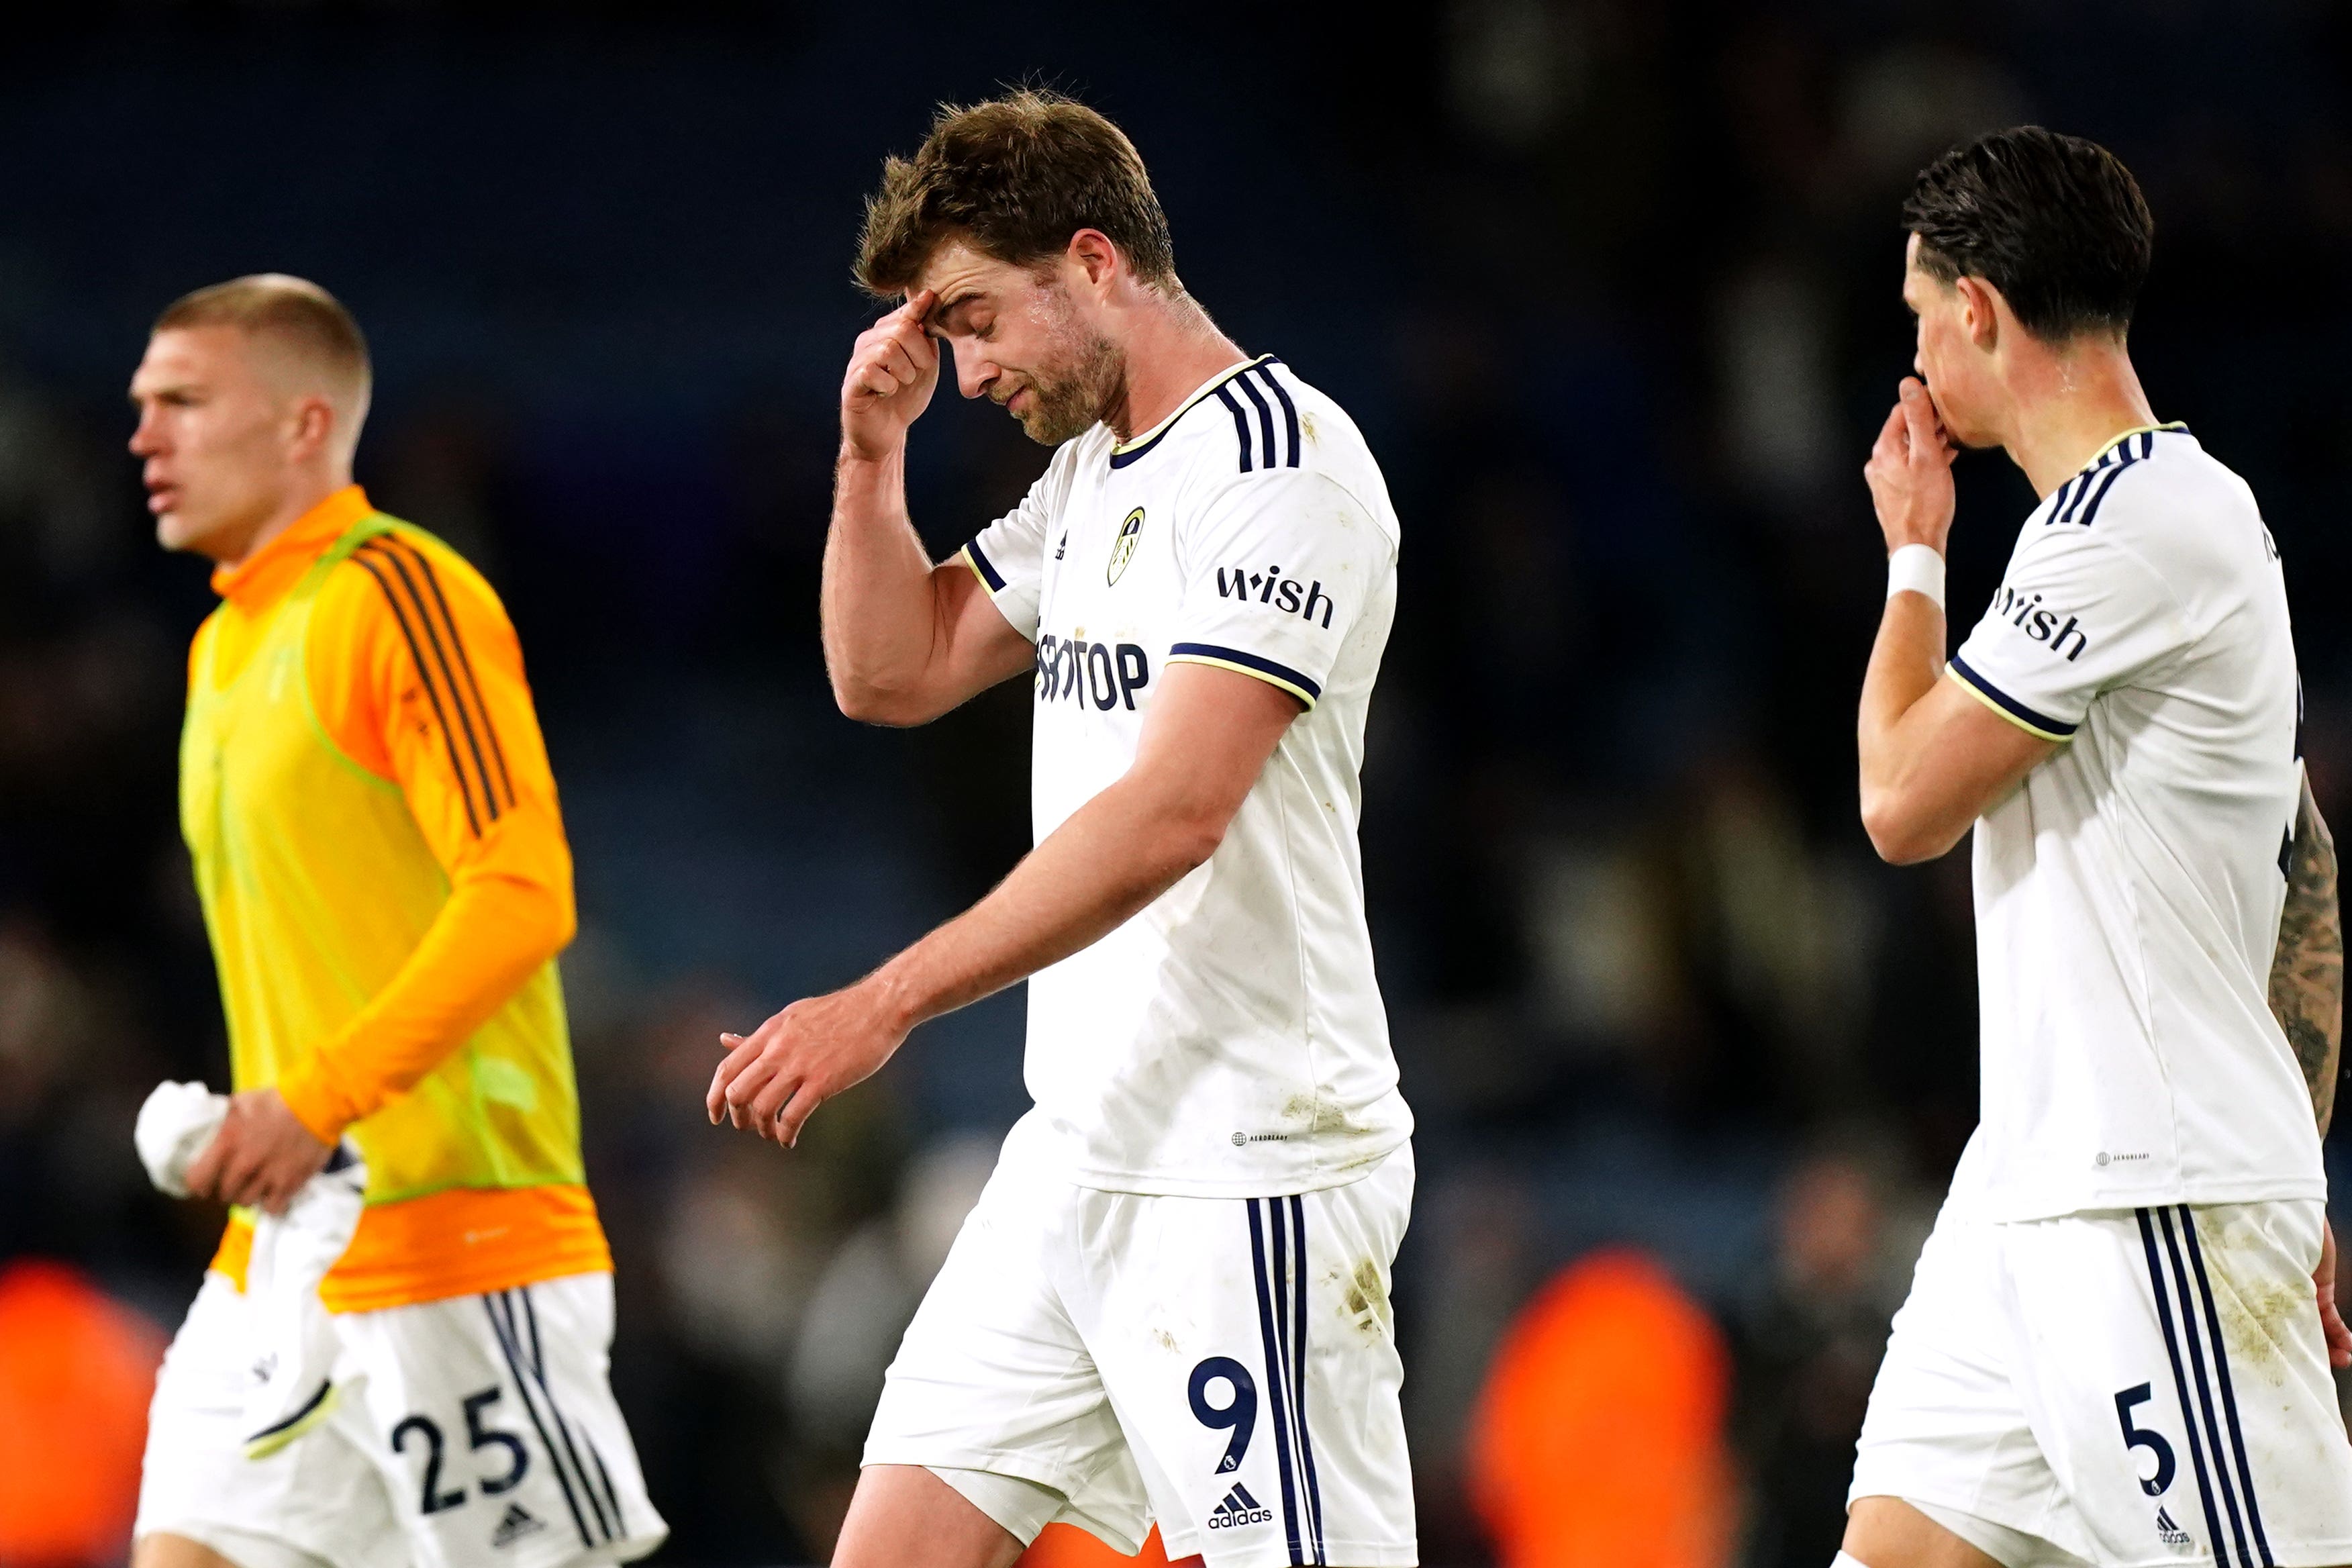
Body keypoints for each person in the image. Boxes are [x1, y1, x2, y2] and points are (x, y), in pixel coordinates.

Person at [705, 91, 1416, 1568]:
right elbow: (886, 669)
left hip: (1245, 1166)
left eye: (972, 320)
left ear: (1094, 261)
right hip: (1078, 1151)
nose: (960, 372)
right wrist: (865, 455)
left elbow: (1172, 815)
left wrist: (884, 1001)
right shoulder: (1095, 478)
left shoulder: (1283, 471)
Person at [1843, 128, 2351, 1568]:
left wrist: (1914, 552)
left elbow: (1899, 803)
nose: (1916, 357)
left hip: (2150, 1198)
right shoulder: (2152, 530)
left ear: (1982, 311)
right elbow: (2296, 870)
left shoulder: (2140, 527)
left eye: (1920, 316)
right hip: (2036, 1193)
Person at [130, 275, 666, 1568]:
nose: (144, 437)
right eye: (142, 406)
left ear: (305, 425)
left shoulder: (397, 594)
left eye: (185, 403)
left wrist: (315, 1100)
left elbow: (525, 888)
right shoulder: (224, 648)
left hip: (458, 1238)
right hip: (286, 1258)